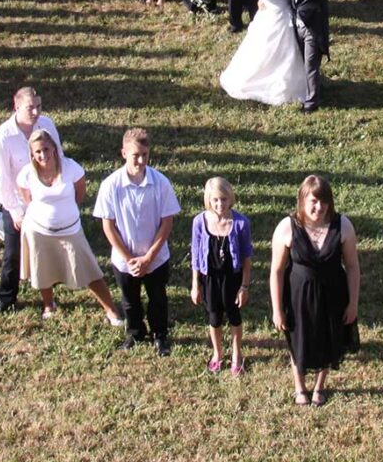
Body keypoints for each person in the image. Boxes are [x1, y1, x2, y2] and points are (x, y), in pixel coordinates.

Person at [269, 174, 360, 407]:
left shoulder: (343, 225)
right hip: (298, 297)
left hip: (333, 294)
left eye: (324, 201)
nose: (319, 207)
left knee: (329, 338)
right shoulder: (287, 227)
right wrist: (277, 310)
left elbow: (352, 266)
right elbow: (277, 271)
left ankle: (320, 386)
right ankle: (299, 387)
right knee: (297, 340)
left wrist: (353, 303)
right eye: (313, 201)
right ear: (302, 200)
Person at [17, 130, 122, 321]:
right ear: (32, 154)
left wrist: (66, 213)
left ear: (54, 149)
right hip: (38, 230)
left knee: (89, 270)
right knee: (42, 268)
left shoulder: (71, 168)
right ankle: (49, 304)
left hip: (70, 229)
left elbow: (79, 194)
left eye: (46, 149)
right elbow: (27, 198)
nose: (43, 155)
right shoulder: (27, 173)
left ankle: (110, 309)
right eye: (38, 152)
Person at [94, 128, 181, 356]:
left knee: (158, 299)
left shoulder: (160, 183)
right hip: (125, 261)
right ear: (124, 153)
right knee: (130, 300)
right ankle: (135, 332)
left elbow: (166, 222)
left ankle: (160, 335)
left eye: (145, 155)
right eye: (136, 155)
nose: (141, 160)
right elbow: (108, 226)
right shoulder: (111, 185)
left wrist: (149, 257)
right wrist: (130, 259)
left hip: (156, 258)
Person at [0, 87, 62, 314]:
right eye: (30, 107)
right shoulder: (2, 137)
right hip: (19, 205)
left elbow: (59, 158)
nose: (35, 111)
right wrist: (16, 211)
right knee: (13, 254)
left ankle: (51, 294)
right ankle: (6, 298)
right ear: (16, 105)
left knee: (48, 249)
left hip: (46, 201)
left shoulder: (47, 125)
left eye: (38, 106)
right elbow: (3, 181)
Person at [286, 0, 369, 113]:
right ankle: (313, 87)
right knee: (302, 62)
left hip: (313, 28)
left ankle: (311, 102)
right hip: (296, 26)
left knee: (310, 64)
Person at [219, 0, 308, 106]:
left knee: (288, 52)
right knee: (263, 51)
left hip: (286, 19)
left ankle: (288, 82)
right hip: (268, 19)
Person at [189, 177, 254, 375]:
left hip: (232, 278)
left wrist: (244, 287)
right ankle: (217, 353)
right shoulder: (200, 222)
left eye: (224, 199)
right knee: (214, 318)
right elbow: (196, 255)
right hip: (210, 278)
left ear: (230, 199)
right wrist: (195, 285)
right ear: (208, 199)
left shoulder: (241, 223)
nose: (220, 204)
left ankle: (236, 354)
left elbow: (246, 258)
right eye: (215, 199)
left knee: (234, 317)